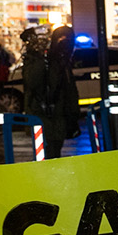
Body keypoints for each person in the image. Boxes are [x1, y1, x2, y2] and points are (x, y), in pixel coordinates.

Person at [22, 24, 80, 159]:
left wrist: (73, 116)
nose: (65, 45)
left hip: (58, 119)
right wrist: (40, 56)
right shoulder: (42, 59)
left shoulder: (63, 61)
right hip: (42, 118)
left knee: (54, 155)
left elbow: (69, 90)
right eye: (62, 40)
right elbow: (33, 82)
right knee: (45, 157)